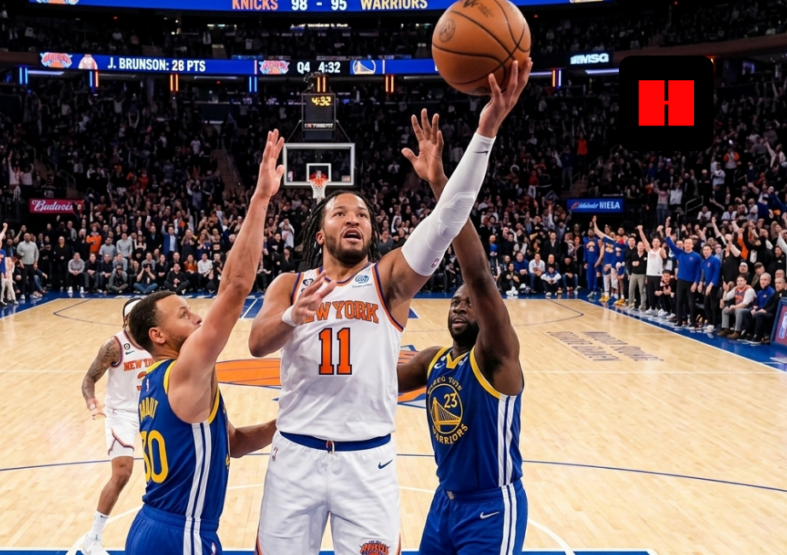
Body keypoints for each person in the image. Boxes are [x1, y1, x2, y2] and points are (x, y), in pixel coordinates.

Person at [248, 60, 531, 555]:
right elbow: (256, 343)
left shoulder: (389, 280)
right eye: (340, 212)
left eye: (362, 214)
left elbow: (447, 222)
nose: (353, 219)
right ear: (321, 233)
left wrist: (485, 131)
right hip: (295, 454)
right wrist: (295, 314)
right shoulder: (289, 284)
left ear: (373, 233)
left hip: (367, 463)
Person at [122, 130, 284, 555]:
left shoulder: (157, 382)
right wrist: (260, 199)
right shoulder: (185, 368)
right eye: (182, 314)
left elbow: (230, 443)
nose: (195, 316)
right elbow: (234, 287)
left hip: (153, 529)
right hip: (181, 535)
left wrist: (283, 425)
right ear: (157, 336)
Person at [396, 217, 526, 555]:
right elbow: (375, 383)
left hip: (491, 508)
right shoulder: (432, 361)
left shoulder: (496, 358)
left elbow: (480, 277)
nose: (460, 306)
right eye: (455, 301)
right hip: (445, 503)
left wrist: (446, 193)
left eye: (469, 303)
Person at [74, 298, 153, 555]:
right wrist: (91, 401)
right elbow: (89, 378)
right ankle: (93, 538)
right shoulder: (114, 346)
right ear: (125, 320)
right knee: (122, 473)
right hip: (122, 414)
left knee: (165, 472)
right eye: (134, 317)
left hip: (153, 410)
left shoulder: (158, 340)